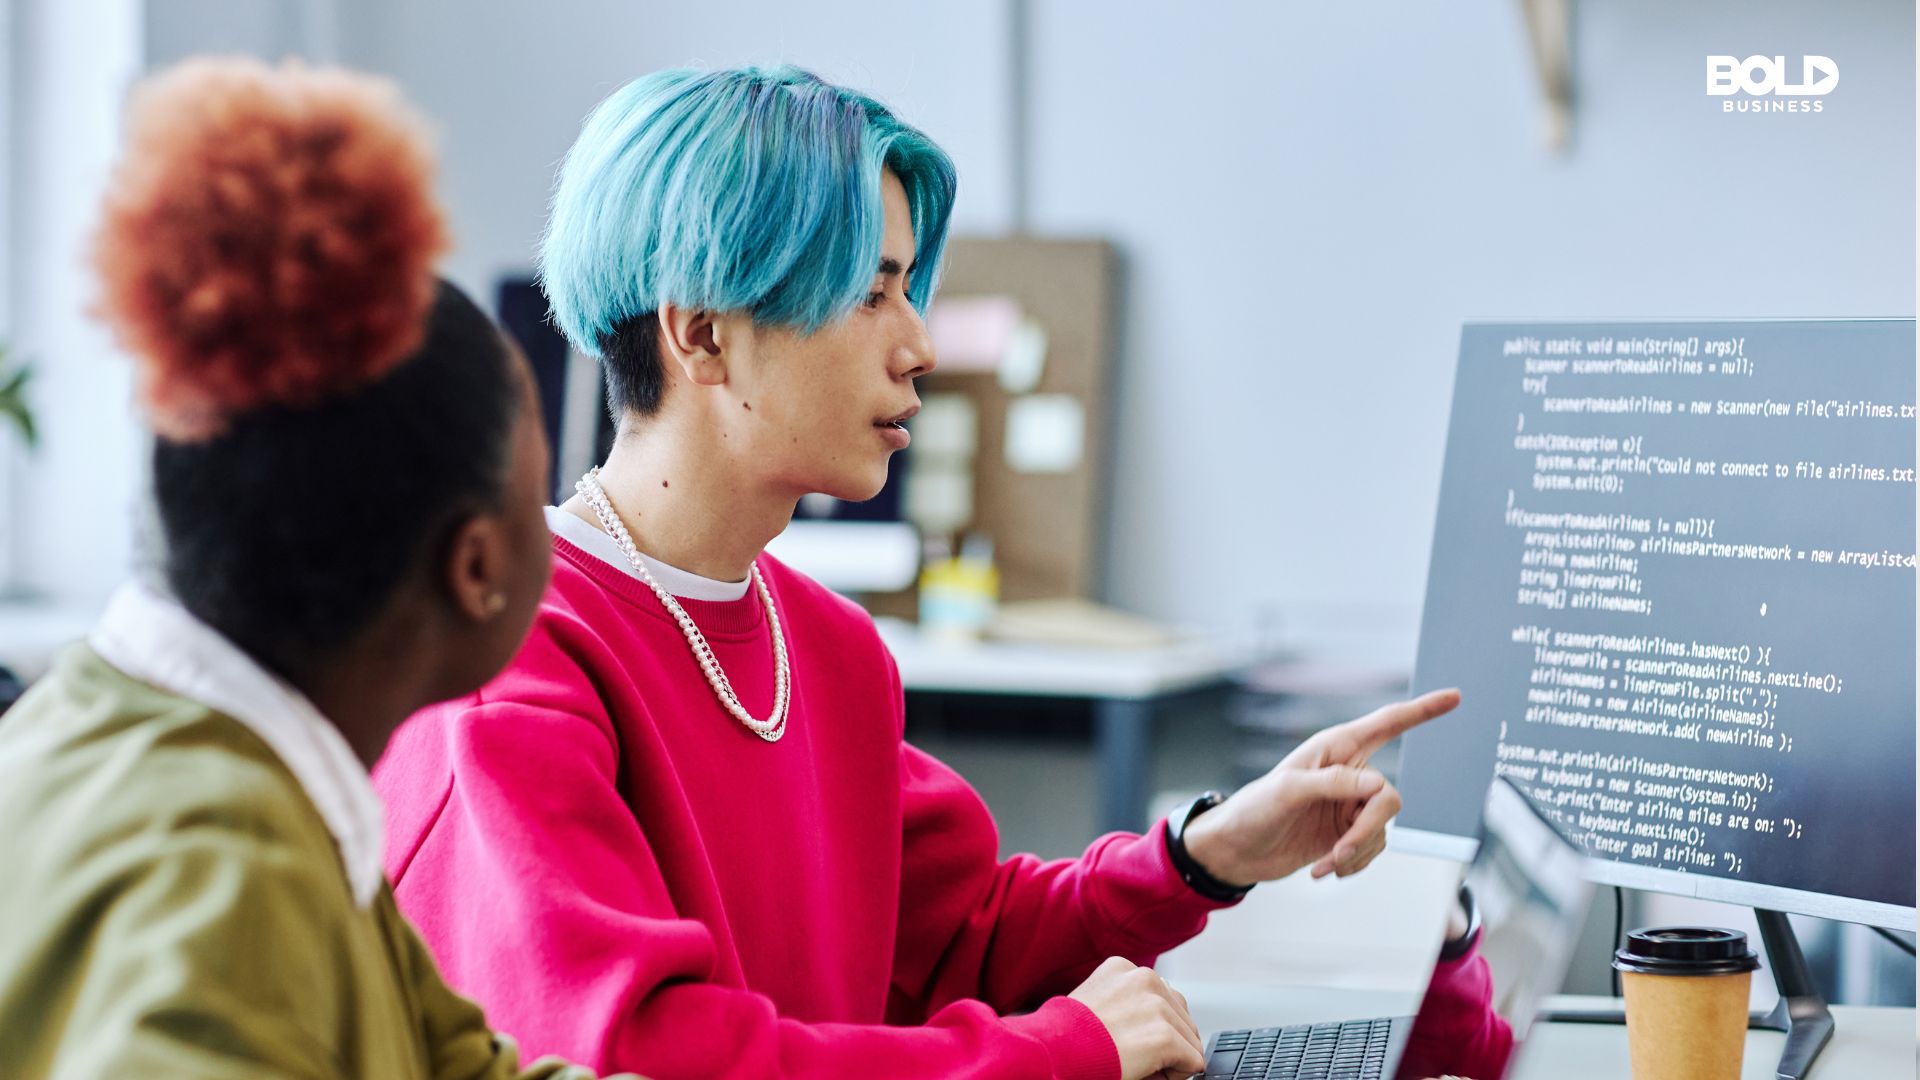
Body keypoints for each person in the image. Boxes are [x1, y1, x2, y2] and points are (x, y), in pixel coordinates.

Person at [373, 64, 1491, 1080]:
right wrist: (1061, 1054)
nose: (918, 344)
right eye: (872, 293)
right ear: (702, 334)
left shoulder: (826, 646)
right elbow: (645, 1055)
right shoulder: (506, 659)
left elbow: (968, 943)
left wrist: (1203, 856)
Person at [0, 57, 643, 1080]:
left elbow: (461, 1067)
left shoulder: (107, 728)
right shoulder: (224, 870)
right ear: (476, 564)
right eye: (536, 496)